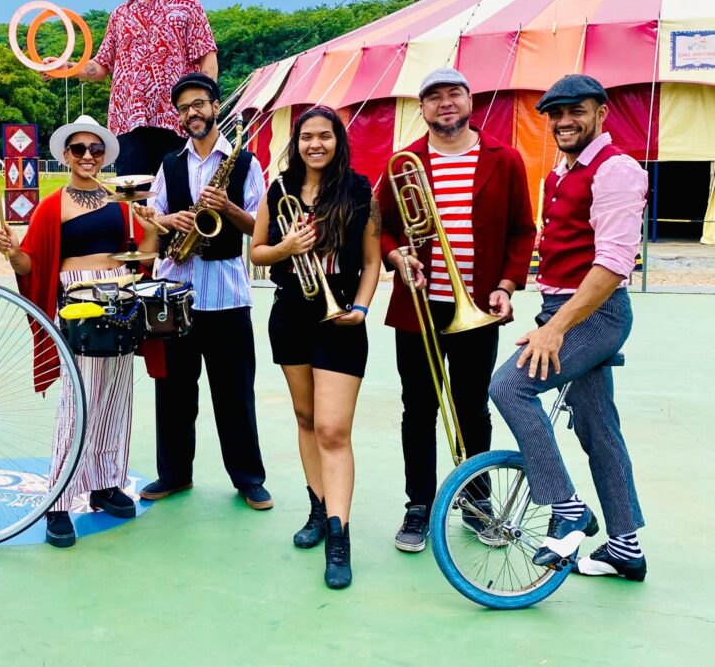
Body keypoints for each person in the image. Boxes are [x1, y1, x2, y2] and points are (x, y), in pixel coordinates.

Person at [489, 74, 648, 581]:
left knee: (509, 387)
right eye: (555, 114)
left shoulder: (616, 169)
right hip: (565, 308)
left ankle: (567, 506)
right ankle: (625, 548)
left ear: (601, 113)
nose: (563, 121)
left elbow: (613, 265)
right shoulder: (562, 171)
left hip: (595, 315)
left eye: (575, 111)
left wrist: (554, 329)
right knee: (598, 428)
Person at [377, 67, 535, 553]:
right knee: (418, 408)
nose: (445, 103)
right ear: (422, 108)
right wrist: (396, 256)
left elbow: (522, 231)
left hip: (478, 309)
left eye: (454, 94)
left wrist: (507, 284)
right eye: (434, 97)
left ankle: (475, 499)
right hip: (419, 309)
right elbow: (383, 229)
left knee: (472, 407)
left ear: (470, 101)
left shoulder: (504, 159)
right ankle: (419, 504)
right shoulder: (403, 163)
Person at [0, 114, 160, 548]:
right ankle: (59, 500)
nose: (89, 156)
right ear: (66, 156)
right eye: (80, 149)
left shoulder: (120, 201)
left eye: (96, 149)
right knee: (78, 400)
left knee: (116, 397)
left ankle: (105, 483)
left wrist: (152, 229)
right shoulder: (52, 206)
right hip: (77, 300)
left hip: (119, 297)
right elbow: (31, 265)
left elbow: (144, 256)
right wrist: (13, 252)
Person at [248, 106, 381, 589]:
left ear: (338, 141)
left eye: (325, 136)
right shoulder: (278, 190)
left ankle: (339, 538)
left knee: (332, 429)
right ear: (297, 142)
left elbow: (371, 262)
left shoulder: (359, 191)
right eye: (307, 137)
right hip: (291, 314)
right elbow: (257, 251)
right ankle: (318, 509)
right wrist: (287, 249)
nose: (315, 144)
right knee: (306, 418)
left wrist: (361, 308)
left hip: (340, 315)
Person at [142, 72, 271, 510]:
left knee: (235, 395)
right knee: (174, 394)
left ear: (216, 106)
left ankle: (249, 478)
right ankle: (174, 474)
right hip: (176, 294)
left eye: (198, 104)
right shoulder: (169, 163)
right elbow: (152, 218)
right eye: (183, 109)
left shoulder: (245, 163)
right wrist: (170, 220)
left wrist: (226, 206)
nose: (191, 113)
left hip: (227, 297)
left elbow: (259, 228)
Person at [51, 0, 218, 177]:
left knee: (177, 194)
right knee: (133, 198)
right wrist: (67, 67)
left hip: (175, 119)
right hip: (129, 123)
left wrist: (204, 106)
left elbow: (207, 58)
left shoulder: (187, 4)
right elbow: (101, 67)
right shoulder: (120, 15)